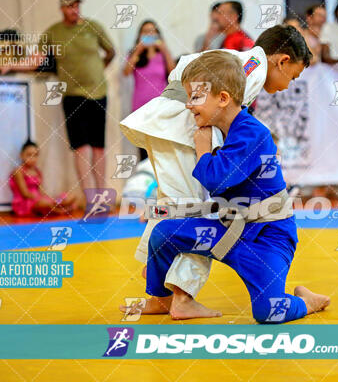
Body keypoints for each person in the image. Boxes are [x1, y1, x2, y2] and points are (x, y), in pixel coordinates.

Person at [119, 25, 312, 318]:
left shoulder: (235, 60)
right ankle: (180, 297)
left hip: (166, 122)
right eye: (293, 76)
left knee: (173, 206)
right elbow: (218, 101)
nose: (287, 85)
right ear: (282, 61)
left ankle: (162, 295)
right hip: (182, 128)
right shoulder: (253, 68)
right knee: (193, 208)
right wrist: (205, 146)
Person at [0, 0, 115, 191]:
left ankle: (103, 193)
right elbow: (36, 60)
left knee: (98, 147)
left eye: (77, 6)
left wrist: (98, 69)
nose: (74, 10)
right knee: (81, 148)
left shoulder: (93, 27)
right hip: (72, 95)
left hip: (98, 93)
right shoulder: (53, 32)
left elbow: (111, 52)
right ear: (62, 9)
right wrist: (11, 65)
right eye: (70, 6)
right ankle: (90, 196)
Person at [123, 19, 176, 160]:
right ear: (139, 35)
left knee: (160, 148)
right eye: (145, 31)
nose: (149, 34)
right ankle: (146, 180)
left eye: (152, 31)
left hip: (160, 107)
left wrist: (165, 51)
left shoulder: (162, 55)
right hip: (140, 108)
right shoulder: (135, 54)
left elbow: (173, 73)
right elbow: (126, 71)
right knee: (143, 149)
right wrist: (138, 51)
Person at [9, 141, 77, 217]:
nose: (33, 158)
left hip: (40, 200)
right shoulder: (18, 171)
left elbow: (40, 191)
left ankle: (57, 207)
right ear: (21, 155)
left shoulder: (37, 172)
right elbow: (25, 194)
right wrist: (42, 200)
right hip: (26, 202)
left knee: (70, 196)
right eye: (29, 155)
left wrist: (50, 199)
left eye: (35, 155)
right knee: (45, 203)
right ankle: (60, 210)